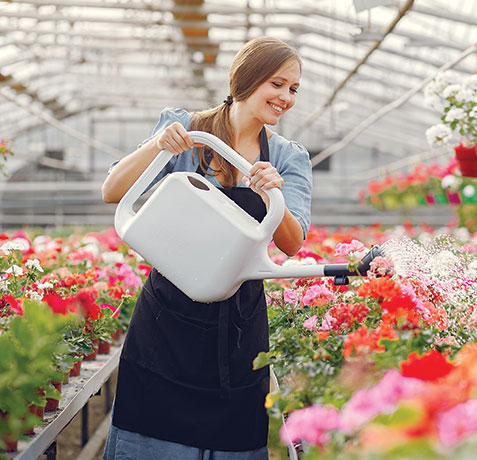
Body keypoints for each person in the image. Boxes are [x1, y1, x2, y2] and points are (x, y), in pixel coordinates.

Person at [100, 37, 312, 460]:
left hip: (238, 326)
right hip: (166, 320)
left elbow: (292, 242)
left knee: (233, 437)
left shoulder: (288, 157)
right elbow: (112, 190)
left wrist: (275, 196)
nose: (286, 97)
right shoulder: (186, 129)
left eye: (293, 89)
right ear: (246, 80)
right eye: (277, 84)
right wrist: (159, 145)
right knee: (150, 433)